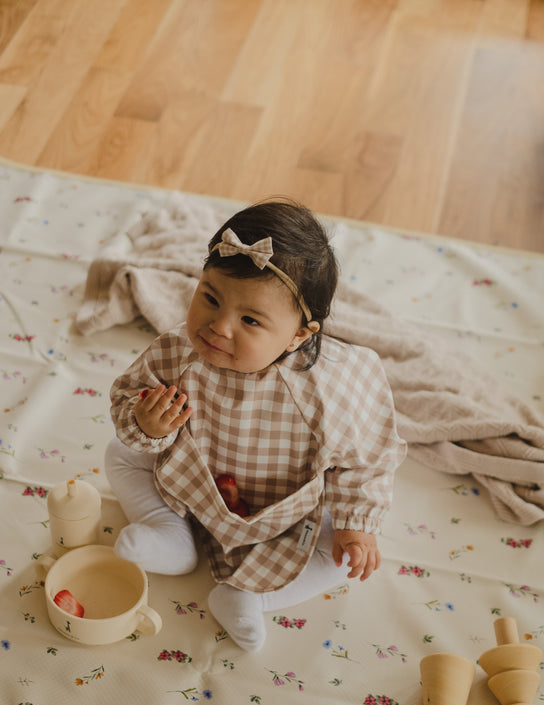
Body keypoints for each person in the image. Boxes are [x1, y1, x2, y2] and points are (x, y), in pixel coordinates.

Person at [105, 199, 406, 651]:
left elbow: (364, 459)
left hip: (284, 514)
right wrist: (147, 424)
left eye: (249, 320)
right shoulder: (176, 353)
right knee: (121, 453)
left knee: (347, 556)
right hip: (194, 486)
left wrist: (355, 524)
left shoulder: (328, 388)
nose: (218, 327)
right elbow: (129, 397)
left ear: (300, 335)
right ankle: (171, 535)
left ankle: (247, 597)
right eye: (209, 297)